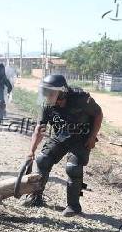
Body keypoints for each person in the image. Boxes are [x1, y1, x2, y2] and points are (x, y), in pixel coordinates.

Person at [23, 74, 103, 217]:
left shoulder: (81, 99)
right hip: (61, 135)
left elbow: (98, 114)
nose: (47, 95)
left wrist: (92, 137)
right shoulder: (47, 105)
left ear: (62, 92)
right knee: (42, 160)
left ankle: (73, 206)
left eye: (51, 92)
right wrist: (31, 151)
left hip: (82, 138)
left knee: (73, 168)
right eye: (45, 92)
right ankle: (36, 196)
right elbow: (39, 129)